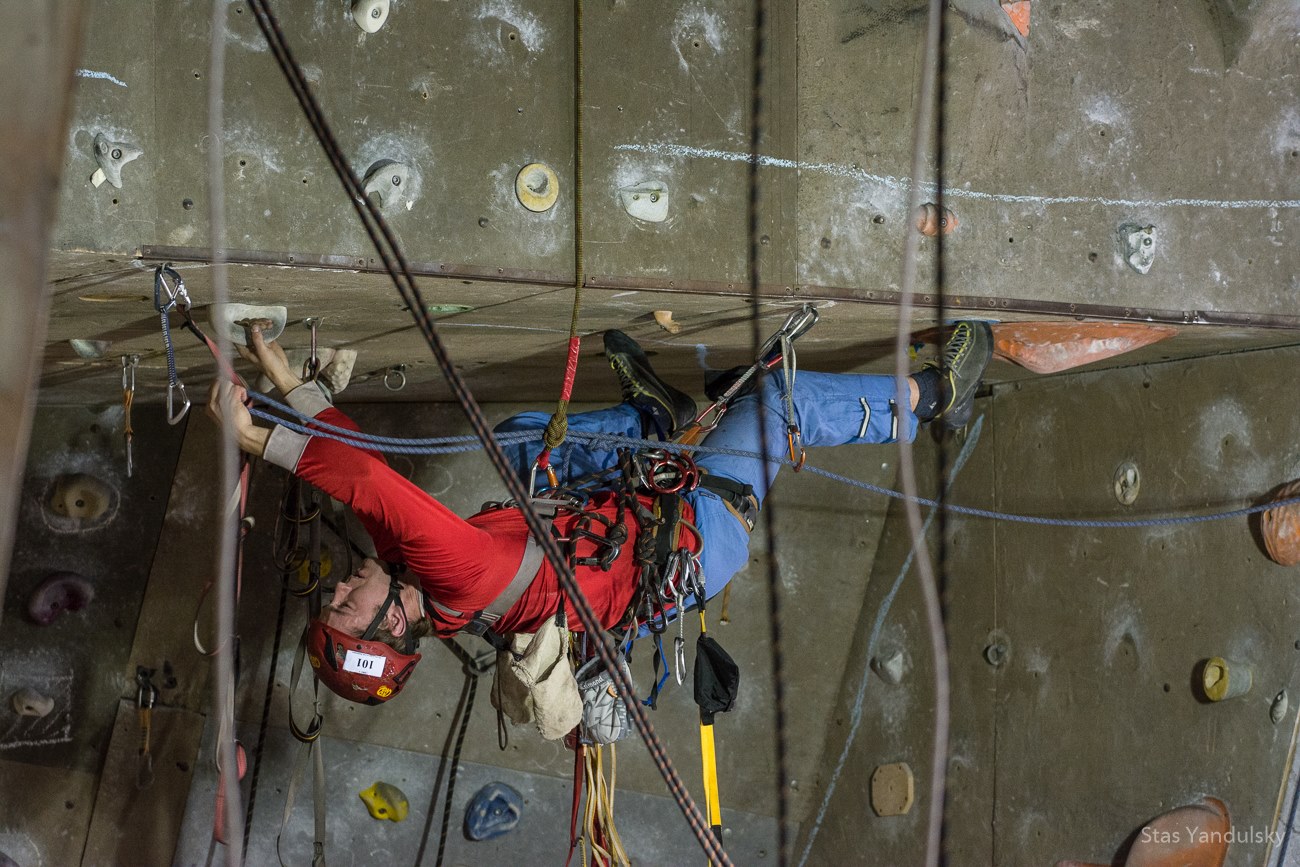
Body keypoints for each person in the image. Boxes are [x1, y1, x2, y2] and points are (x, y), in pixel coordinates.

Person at [206, 320, 993, 704]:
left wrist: (295, 394)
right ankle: (933, 397)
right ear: (391, 627)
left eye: (336, 598)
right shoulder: (460, 574)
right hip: (696, 532)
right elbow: (373, 491)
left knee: (521, 443)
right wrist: (256, 439)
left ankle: (664, 419)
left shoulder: (418, 577)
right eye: (348, 609)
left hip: (626, 515)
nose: (339, 587)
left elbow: (366, 470)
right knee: (775, 401)